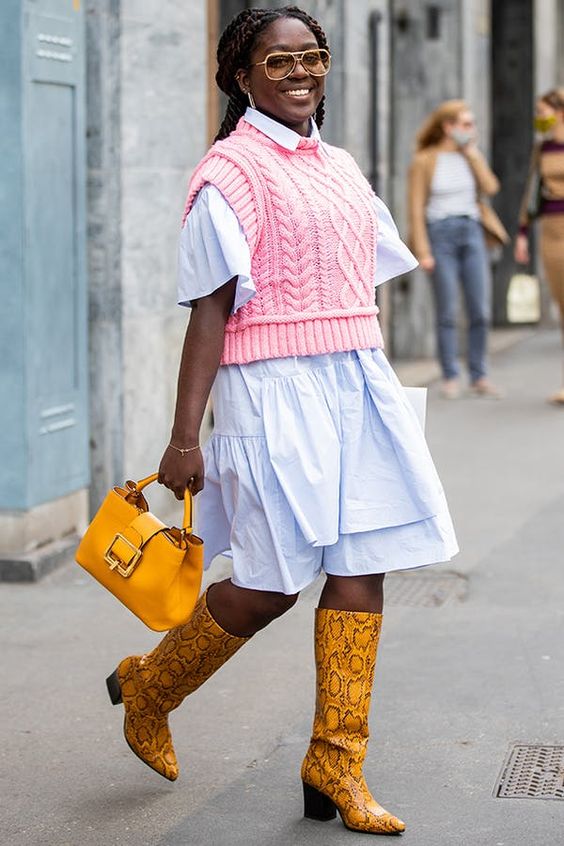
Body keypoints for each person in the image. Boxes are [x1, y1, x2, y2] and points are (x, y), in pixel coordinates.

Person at [104, 6, 458, 835]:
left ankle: (336, 761)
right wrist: (185, 436)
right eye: (277, 62)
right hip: (270, 392)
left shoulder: (338, 165)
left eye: (312, 57)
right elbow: (210, 310)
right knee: (267, 586)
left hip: (353, 382)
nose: (299, 73)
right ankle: (150, 690)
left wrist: (363, 377)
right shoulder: (229, 173)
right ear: (241, 76)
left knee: (363, 565)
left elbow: (357, 278)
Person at [408, 100, 507, 399]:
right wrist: (423, 251)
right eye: (465, 124)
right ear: (447, 127)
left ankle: (479, 375)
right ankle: (450, 375)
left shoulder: (470, 157)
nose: (471, 129)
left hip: (472, 231)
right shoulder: (425, 160)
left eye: (472, 124)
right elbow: (415, 208)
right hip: (440, 235)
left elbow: (491, 188)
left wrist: (473, 154)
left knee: (480, 309)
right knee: (447, 310)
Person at [515, 88, 564, 405]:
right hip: (550, 230)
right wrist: (522, 232)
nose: (539, 118)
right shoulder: (542, 147)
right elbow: (532, 189)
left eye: (543, 111)